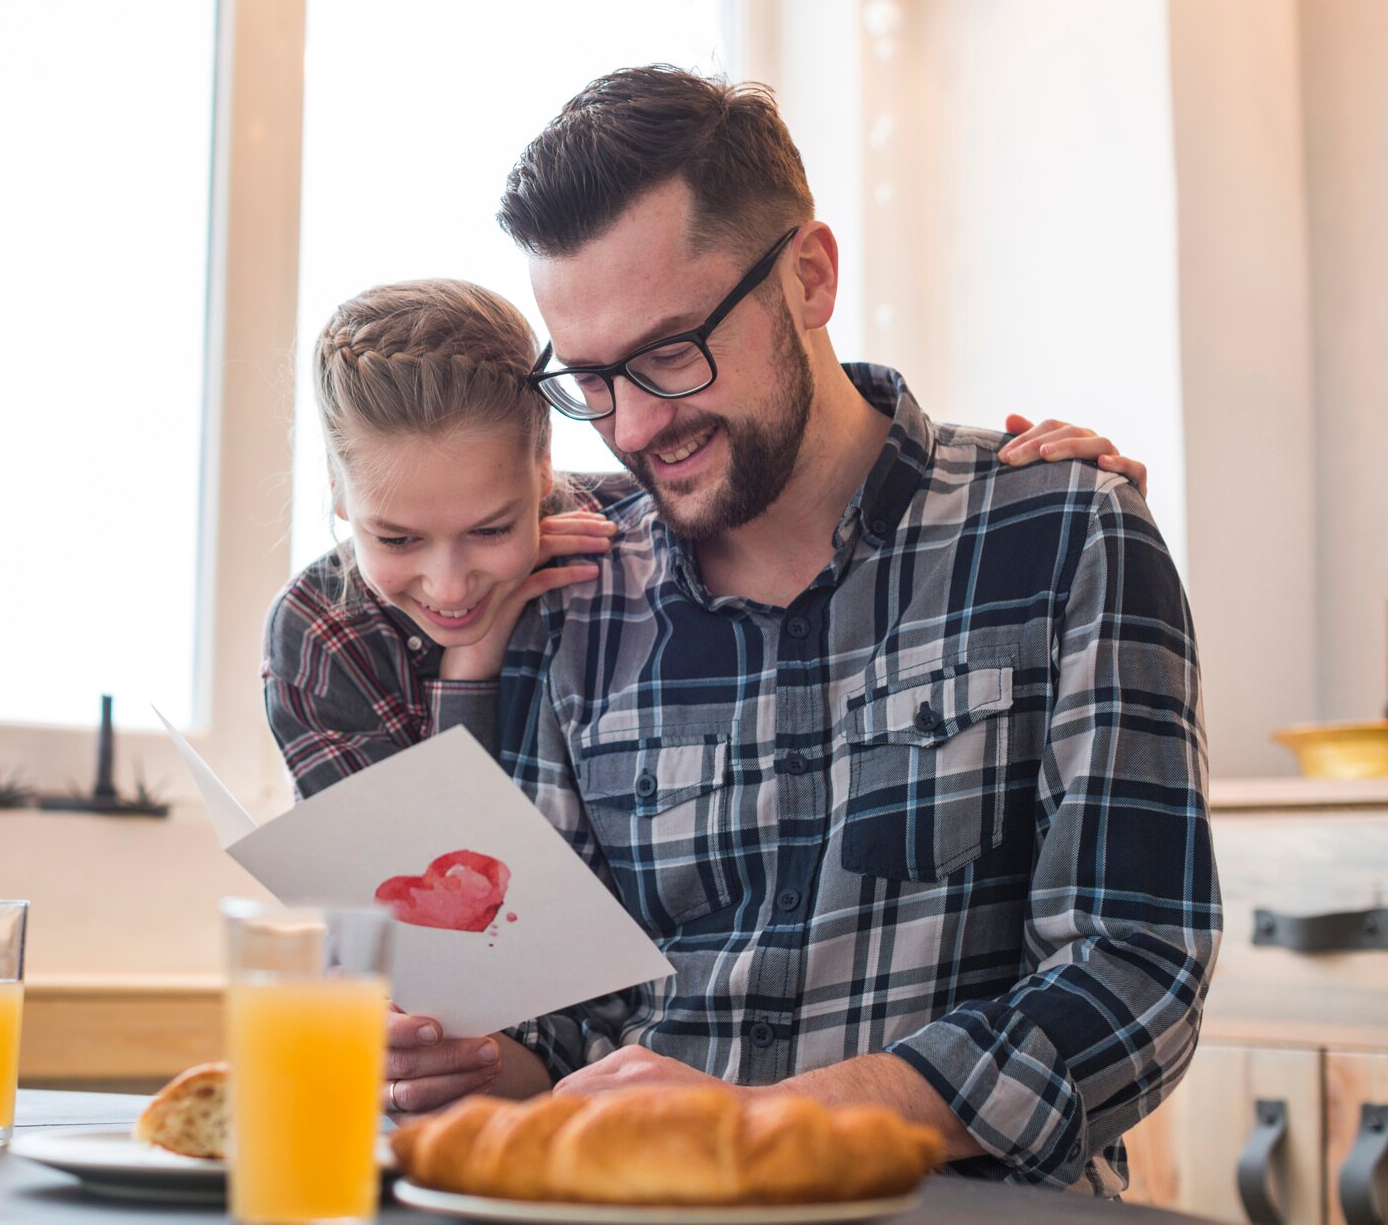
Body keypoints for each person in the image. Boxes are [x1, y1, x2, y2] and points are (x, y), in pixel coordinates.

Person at [379, 67, 1217, 1196]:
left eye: (671, 351)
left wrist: (772, 1120)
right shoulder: (569, 588)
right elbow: (569, 1024)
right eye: (588, 379)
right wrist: (474, 1059)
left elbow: (1131, 976)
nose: (632, 424)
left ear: (809, 277)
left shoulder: (1063, 532)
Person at [264, 281, 1141, 800]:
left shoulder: (638, 538)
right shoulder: (321, 634)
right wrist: (474, 669)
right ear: (339, 500)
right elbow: (435, 903)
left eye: (493, 529)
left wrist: (1050, 490)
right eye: (398, 538)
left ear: (546, 470)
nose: (449, 583)